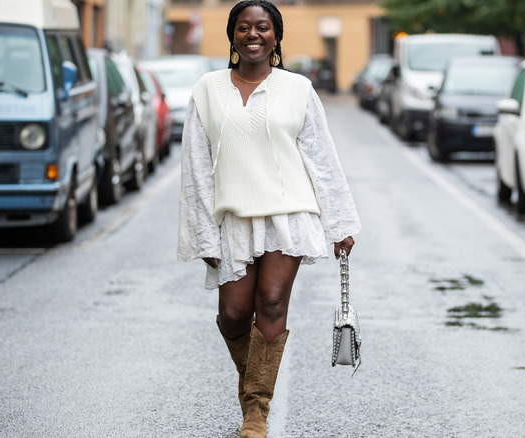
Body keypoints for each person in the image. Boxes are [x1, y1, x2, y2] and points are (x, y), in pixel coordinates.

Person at [176, 1, 360, 437]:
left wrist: (340, 223)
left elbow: (321, 157)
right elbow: (196, 167)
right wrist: (204, 235)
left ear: (276, 36)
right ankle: (255, 384)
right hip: (233, 219)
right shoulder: (207, 89)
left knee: (272, 301)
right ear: (232, 35)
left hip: (288, 215)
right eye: (244, 27)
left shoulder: (298, 89)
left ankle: (255, 411)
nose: (253, 35)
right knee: (233, 314)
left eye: (262, 27)